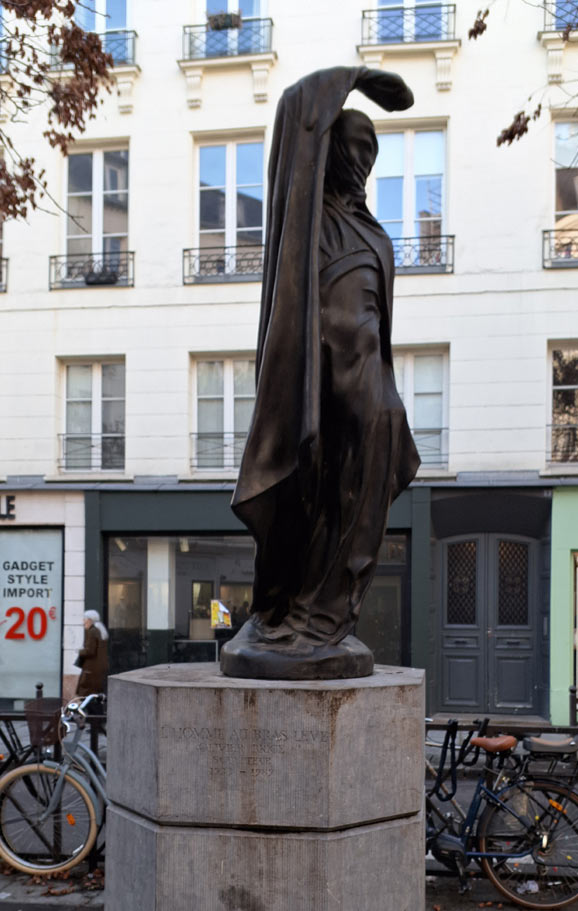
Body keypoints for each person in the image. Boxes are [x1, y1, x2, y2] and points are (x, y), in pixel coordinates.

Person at [222, 66, 419, 679]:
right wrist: (356, 77)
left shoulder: (373, 233)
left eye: (371, 155)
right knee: (311, 507)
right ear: (329, 153)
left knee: (356, 513)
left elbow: (377, 331)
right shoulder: (306, 226)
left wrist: (379, 403)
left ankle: (326, 615)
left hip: (373, 396)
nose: (361, 163)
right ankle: (295, 614)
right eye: (352, 149)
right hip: (322, 389)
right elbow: (296, 112)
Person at [76, 609, 109, 697]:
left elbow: (90, 651)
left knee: (86, 694)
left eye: (84, 620)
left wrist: (80, 651)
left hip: (91, 669)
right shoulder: (100, 630)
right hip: (97, 669)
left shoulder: (92, 631)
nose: (83, 622)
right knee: (95, 694)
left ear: (90, 620)